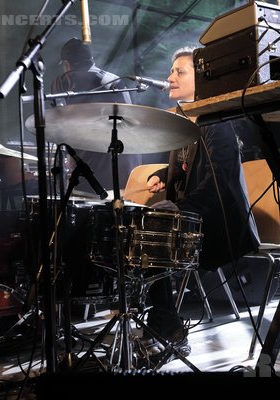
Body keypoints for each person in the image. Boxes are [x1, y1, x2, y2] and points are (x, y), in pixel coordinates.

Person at [143, 46, 261, 361]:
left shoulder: (217, 123)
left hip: (219, 224)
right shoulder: (182, 122)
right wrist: (161, 176)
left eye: (179, 72)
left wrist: (180, 208)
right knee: (137, 226)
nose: (169, 77)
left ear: (203, 81)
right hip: (194, 218)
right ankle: (163, 322)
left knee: (153, 233)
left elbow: (219, 183)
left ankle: (166, 326)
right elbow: (187, 167)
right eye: (170, 71)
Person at [50, 37, 141, 195]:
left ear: (66, 64)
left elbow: (61, 127)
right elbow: (131, 128)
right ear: (91, 59)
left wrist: (71, 156)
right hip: (121, 171)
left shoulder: (60, 84)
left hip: (86, 173)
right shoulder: (114, 82)